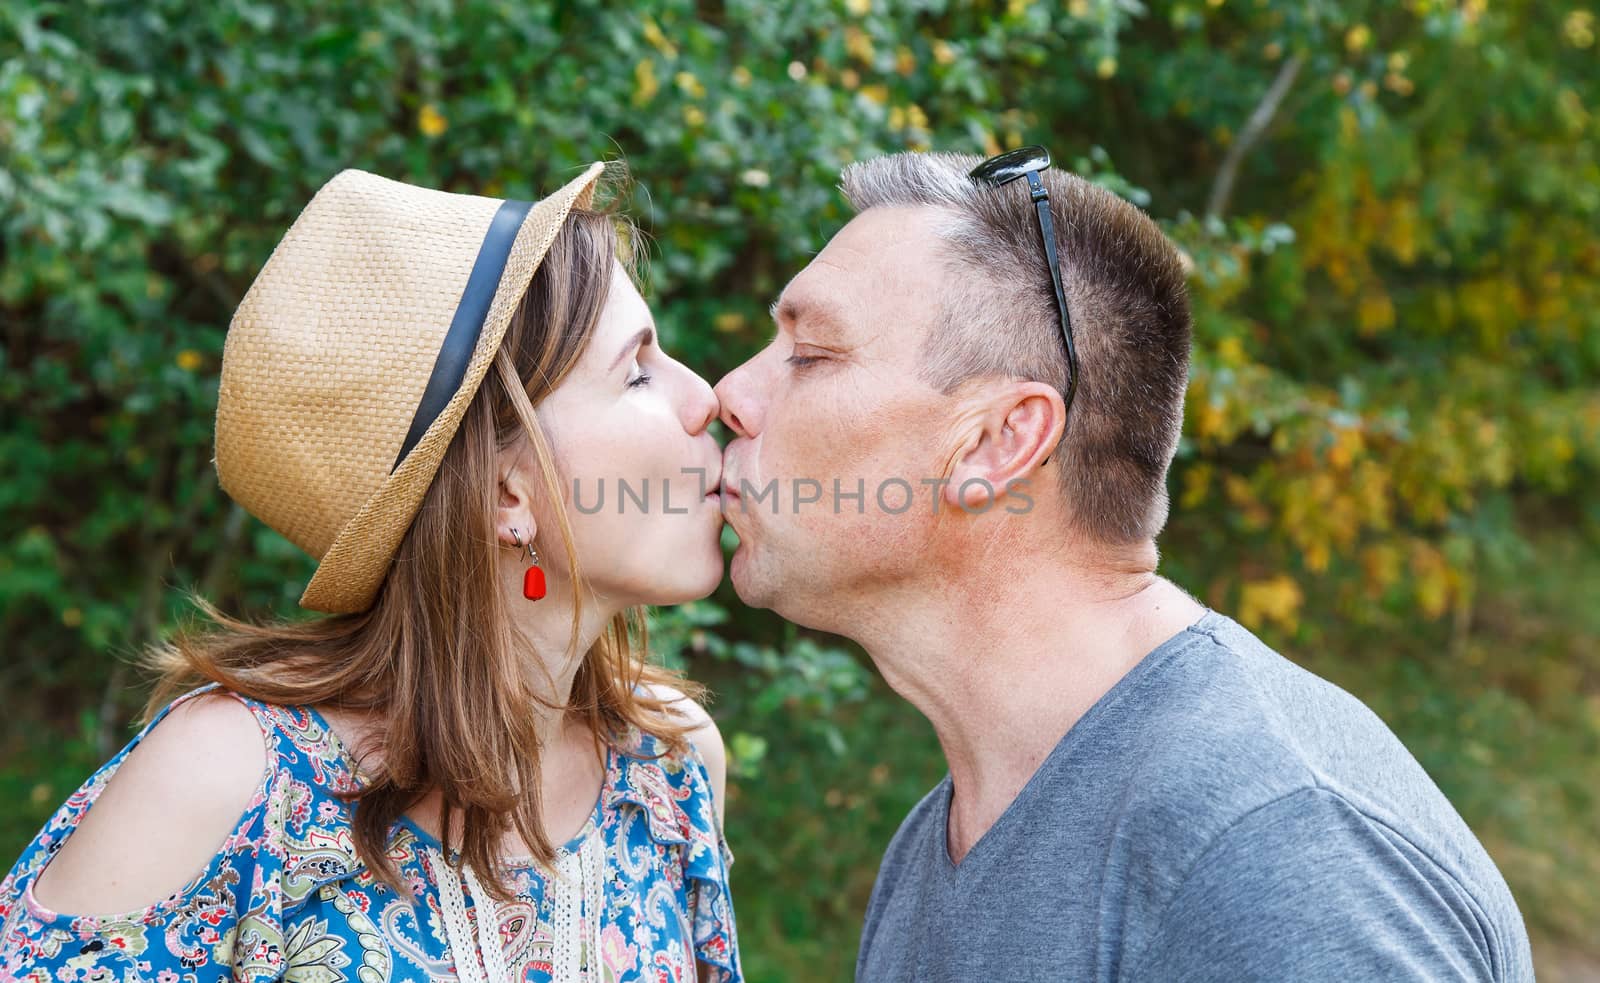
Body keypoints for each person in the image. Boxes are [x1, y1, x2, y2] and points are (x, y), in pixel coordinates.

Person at [712, 147, 1533, 981]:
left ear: (999, 441)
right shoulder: (944, 843)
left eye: (810, 354)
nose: (730, 395)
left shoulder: (1274, 851)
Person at [0, 163, 743, 983]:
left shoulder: (670, 762)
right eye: (636, 371)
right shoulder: (232, 781)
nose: (705, 396)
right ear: (507, 492)